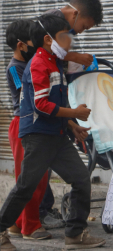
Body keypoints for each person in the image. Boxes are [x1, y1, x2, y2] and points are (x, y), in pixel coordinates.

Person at [0, 14, 106, 251]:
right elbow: (41, 105)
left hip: (56, 135)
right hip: (38, 136)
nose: (70, 41)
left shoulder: (54, 62)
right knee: (26, 186)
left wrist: (72, 125)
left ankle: (75, 235)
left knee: (80, 179)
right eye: (65, 37)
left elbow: (54, 101)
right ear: (49, 40)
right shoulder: (38, 64)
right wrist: (73, 113)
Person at [39, 0, 104, 230]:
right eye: (85, 26)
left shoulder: (62, 29)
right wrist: (76, 57)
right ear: (76, 14)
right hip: (41, 115)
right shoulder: (53, 23)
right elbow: (45, 55)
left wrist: (71, 123)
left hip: (56, 115)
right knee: (31, 177)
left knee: (69, 175)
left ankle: (62, 225)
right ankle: (29, 218)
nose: (81, 33)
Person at [3, 19, 52, 241]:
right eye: (34, 41)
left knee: (37, 178)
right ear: (22, 45)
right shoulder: (15, 68)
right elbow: (28, 93)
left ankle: (18, 223)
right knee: (30, 179)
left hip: (33, 124)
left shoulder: (31, 63)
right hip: (24, 124)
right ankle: (30, 226)